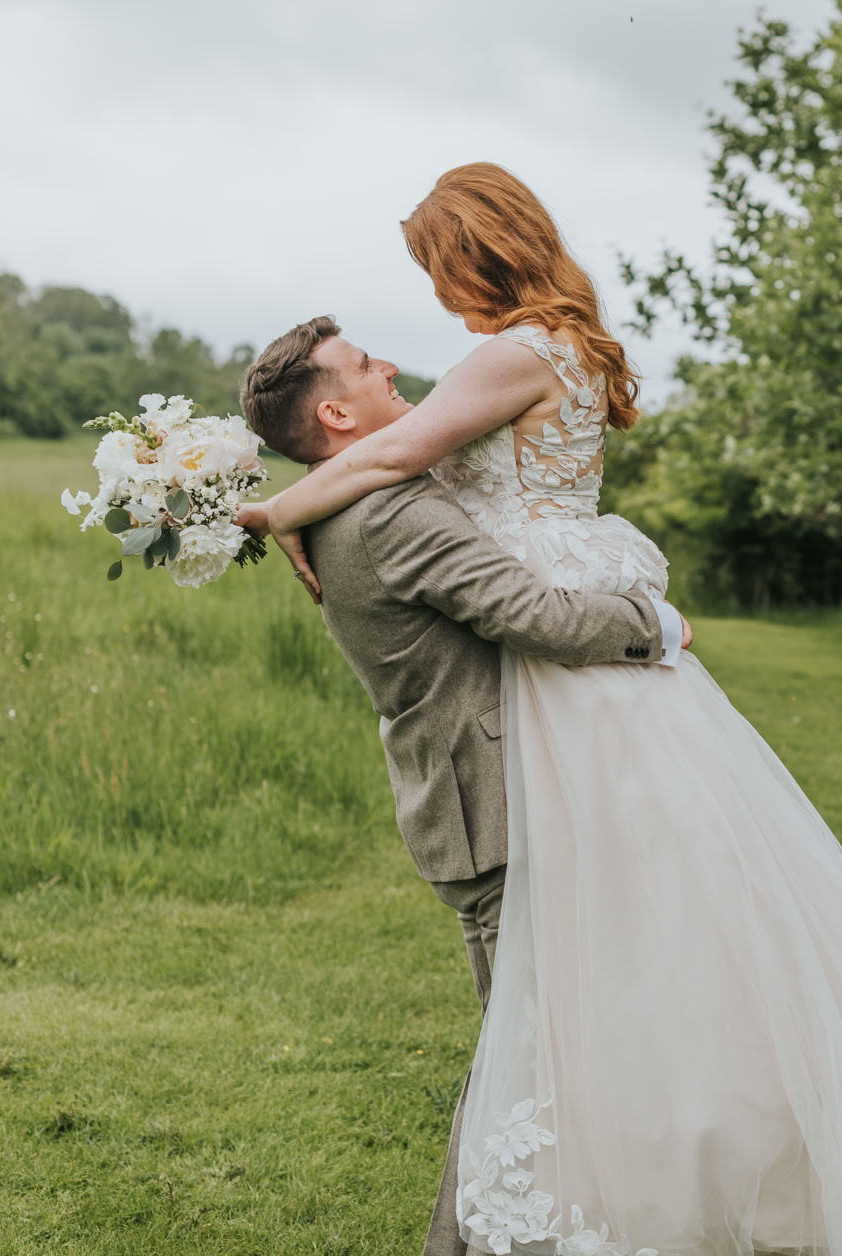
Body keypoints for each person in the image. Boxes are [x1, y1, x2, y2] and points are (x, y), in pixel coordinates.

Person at [244, 164, 842, 1256]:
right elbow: (383, 456)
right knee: (642, 963)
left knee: (588, 991)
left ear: (473, 253)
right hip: (564, 663)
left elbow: (385, 450)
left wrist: (270, 509)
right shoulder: (552, 347)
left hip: (565, 668)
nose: (428, 300)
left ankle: (640, 1185)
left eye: (435, 267)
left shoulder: (510, 354)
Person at [238, 315, 689, 1255]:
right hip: (495, 808)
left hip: (470, 801)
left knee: (535, 1056)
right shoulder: (392, 511)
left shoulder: (333, 505)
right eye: (366, 366)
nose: (392, 367)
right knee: (525, 1067)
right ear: (335, 410)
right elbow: (536, 616)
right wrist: (654, 624)